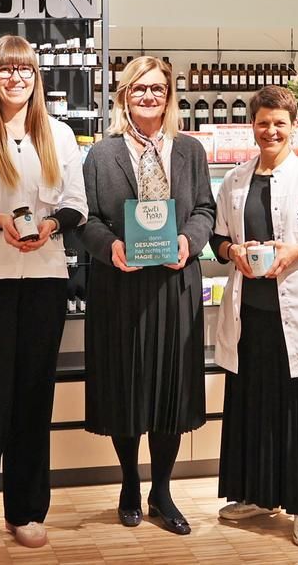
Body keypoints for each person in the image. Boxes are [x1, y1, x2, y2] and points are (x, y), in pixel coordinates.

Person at [0, 34, 88, 550]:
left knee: (33, 399)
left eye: (24, 70)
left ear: (36, 77)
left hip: (46, 280)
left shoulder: (60, 134)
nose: (15, 79)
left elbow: (77, 204)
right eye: (5, 70)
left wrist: (50, 226)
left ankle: (26, 510)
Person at [209, 85, 298, 547]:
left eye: (279, 123)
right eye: (263, 122)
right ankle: (256, 494)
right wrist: (232, 250)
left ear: (293, 127)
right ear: (252, 126)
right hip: (250, 314)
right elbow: (217, 239)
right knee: (250, 406)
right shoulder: (235, 180)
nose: (270, 130)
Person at [78, 56, 215, 535]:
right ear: (123, 95)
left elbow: (204, 208)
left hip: (173, 284)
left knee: (170, 386)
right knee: (126, 383)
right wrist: (111, 247)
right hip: (120, 285)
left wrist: (189, 241)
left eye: (158, 89)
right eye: (140, 89)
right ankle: (130, 483)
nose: (149, 97)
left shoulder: (189, 151)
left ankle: (163, 489)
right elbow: (86, 220)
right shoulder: (100, 154)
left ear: (170, 95)